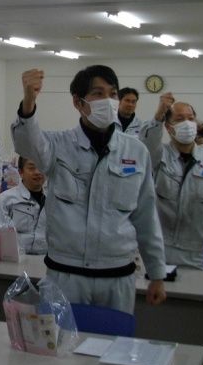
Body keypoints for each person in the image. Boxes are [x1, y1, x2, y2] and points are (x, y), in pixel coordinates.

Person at [12, 66, 166, 313]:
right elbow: (26, 144)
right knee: (61, 336)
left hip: (117, 275)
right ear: (78, 102)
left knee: (114, 337)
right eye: (97, 94)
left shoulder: (135, 151)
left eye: (112, 94)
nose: (108, 101)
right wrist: (29, 100)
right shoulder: (59, 145)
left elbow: (146, 216)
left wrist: (157, 273)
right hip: (66, 274)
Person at [141, 93, 203, 272]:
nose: (187, 123)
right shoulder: (158, 156)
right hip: (156, 247)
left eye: (190, 119)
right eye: (179, 119)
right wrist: (159, 115)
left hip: (193, 250)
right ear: (168, 127)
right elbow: (147, 144)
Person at [0, 156, 47, 255]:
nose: (37, 172)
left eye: (41, 167)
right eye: (32, 168)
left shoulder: (53, 202)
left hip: (46, 259)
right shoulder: (5, 200)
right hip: (15, 258)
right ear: (21, 172)